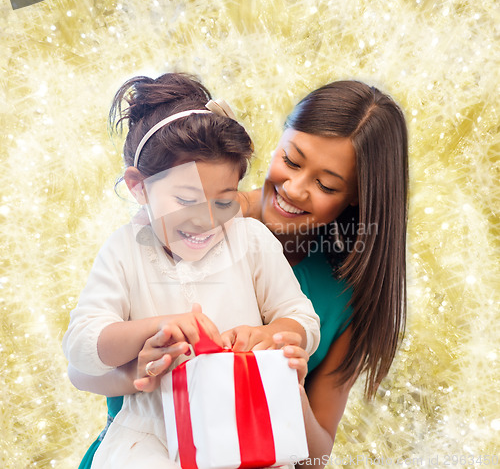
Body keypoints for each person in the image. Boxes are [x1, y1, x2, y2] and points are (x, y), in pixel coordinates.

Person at [70, 79, 408, 469]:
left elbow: (315, 456)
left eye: (326, 184)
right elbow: (81, 363)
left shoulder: (280, 259)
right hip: (143, 447)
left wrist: (283, 370)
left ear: (358, 196)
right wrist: (143, 364)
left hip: (246, 446)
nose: (295, 189)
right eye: (292, 160)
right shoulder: (161, 222)